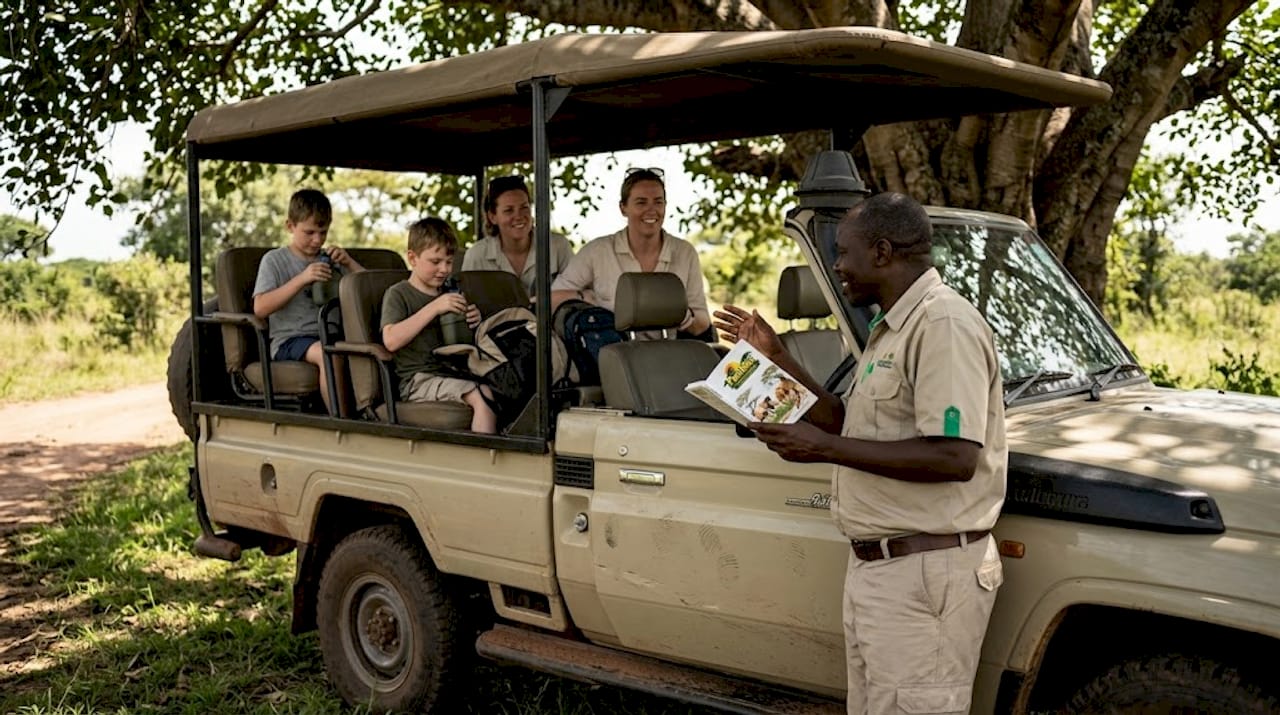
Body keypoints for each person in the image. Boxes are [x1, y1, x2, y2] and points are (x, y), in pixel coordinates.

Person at [713, 192, 1007, 715]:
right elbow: (852, 422)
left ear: (883, 252)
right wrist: (778, 357)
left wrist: (823, 449)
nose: (836, 266)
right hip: (883, 570)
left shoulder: (942, 324)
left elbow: (955, 457)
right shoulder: (891, 327)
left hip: (923, 572)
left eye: (843, 253)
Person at [550, 167, 711, 339]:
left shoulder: (685, 253)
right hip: (608, 358)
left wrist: (681, 316)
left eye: (658, 202)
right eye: (641, 202)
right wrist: (587, 299)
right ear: (623, 208)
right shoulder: (598, 251)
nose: (651, 210)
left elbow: (702, 324)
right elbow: (551, 300)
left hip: (668, 357)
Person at [252, 188, 365, 413]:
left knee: (360, 349)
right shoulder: (275, 260)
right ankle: (341, 421)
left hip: (333, 333)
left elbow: (368, 291)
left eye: (323, 233)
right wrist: (302, 279)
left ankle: (371, 414)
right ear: (290, 226)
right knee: (327, 353)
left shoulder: (330, 260)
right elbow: (260, 307)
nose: (317, 240)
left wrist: (349, 264)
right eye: (310, 232)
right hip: (291, 339)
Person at [381, 217, 498, 434]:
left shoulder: (450, 293)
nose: (444, 269)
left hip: (453, 372)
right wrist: (434, 308)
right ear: (412, 258)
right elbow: (390, 340)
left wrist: (473, 321)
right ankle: (481, 462)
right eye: (435, 262)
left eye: (449, 262)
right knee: (482, 395)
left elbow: (459, 343)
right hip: (417, 380)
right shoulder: (399, 294)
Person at [462, 175, 575, 299]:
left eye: (524, 208)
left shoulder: (558, 246)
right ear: (492, 217)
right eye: (509, 210)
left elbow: (577, 293)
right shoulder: (476, 256)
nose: (519, 216)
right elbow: (467, 305)